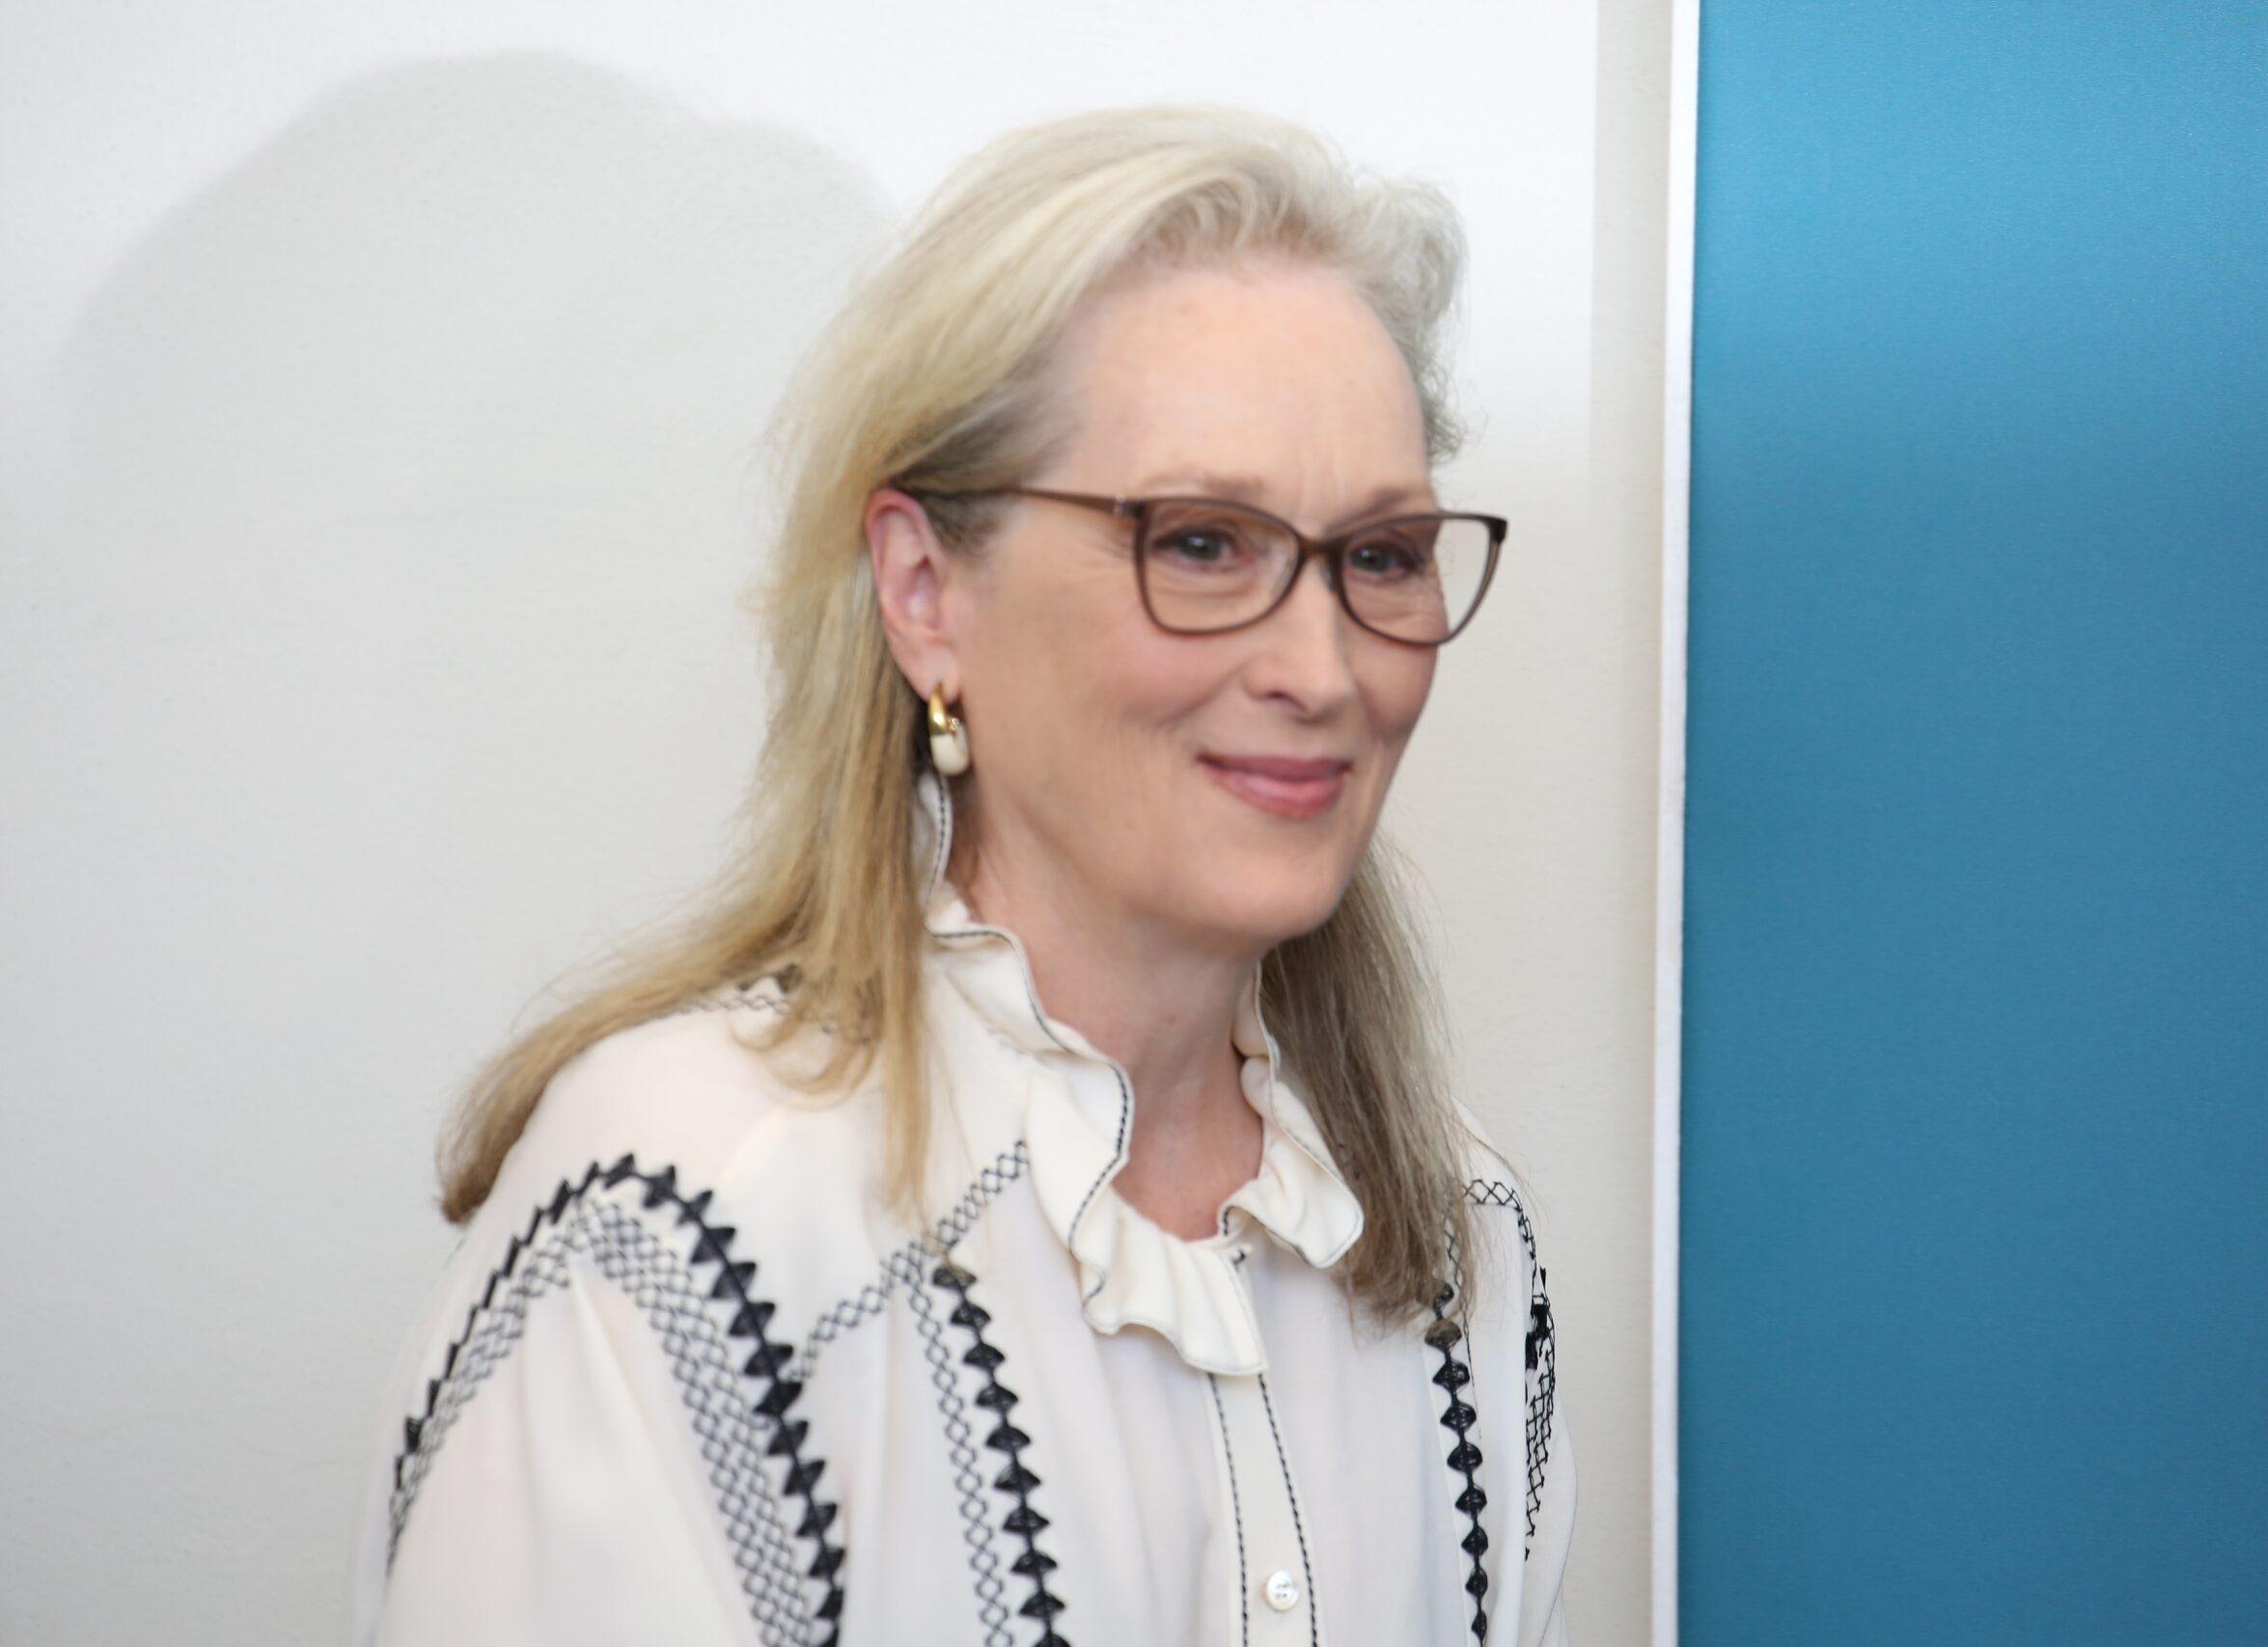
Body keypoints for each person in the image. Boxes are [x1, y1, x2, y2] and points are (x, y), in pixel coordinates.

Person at [347, 99, 1574, 1647]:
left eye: (1382, 556)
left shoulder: (1460, 1241)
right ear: (925, 592)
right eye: (1201, 543)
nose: (1324, 667)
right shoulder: (685, 1222)